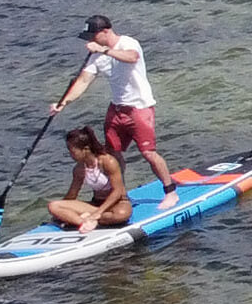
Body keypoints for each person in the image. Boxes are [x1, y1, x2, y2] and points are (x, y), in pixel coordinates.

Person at [50, 15, 180, 210]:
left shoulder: (128, 43)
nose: (90, 41)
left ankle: (171, 192)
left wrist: (104, 50)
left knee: (148, 153)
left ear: (105, 32)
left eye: (92, 36)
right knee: (111, 154)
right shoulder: (96, 56)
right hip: (116, 109)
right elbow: (83, 81)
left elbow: (132, 57)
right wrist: (63, 102)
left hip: (139, 108)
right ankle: (119, 194)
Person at [48, 126, 132, 233]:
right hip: (95, 205)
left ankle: (89, 217)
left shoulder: (107, 162)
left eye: (73, 152)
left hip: (117, 204)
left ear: (86, 149)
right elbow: (72, 195)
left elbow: (118, 191)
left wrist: (98, 213)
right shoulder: (79, 169)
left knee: (121, 215)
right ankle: (83, 221)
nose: (70, 155)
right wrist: (61, 211)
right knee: (53, 206)